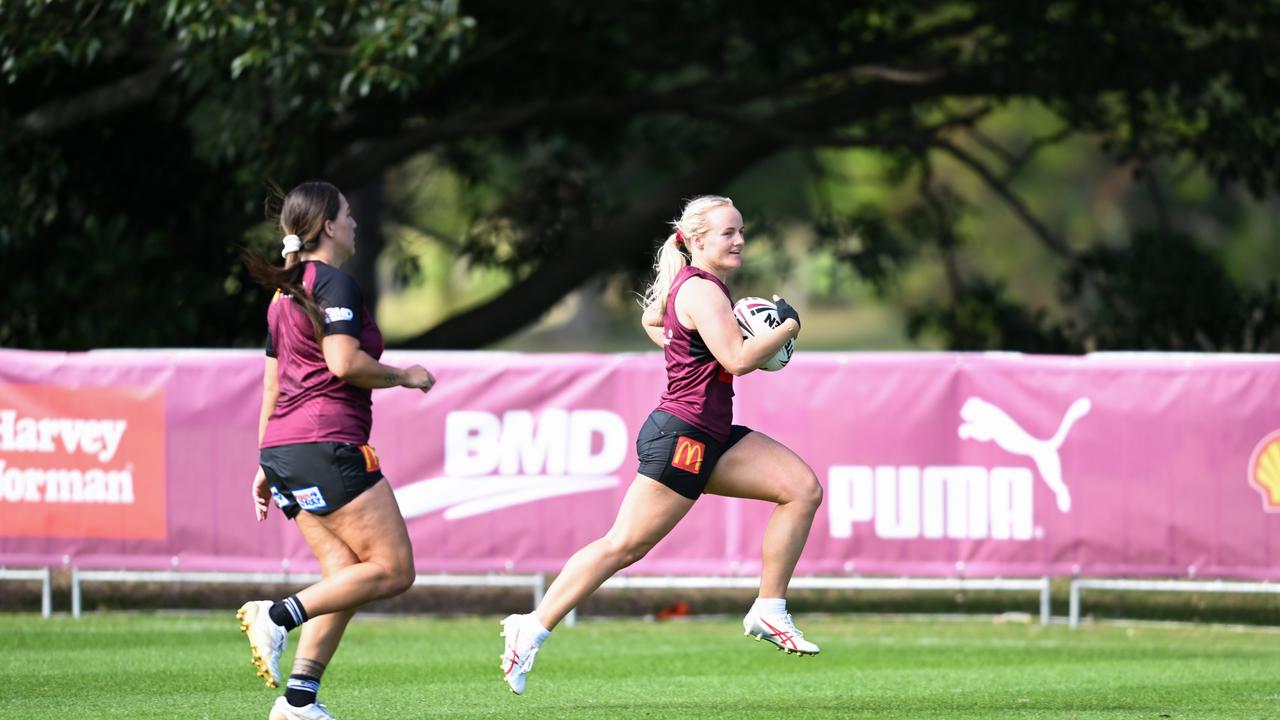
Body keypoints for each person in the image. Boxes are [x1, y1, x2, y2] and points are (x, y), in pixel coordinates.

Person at [499, 195, 823, 695]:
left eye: (741, 231)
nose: (738, 240)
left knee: (801, 489)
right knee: (624, 545)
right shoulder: (700, 289)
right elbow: (737, 360)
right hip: (684, 436)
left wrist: (700, 341)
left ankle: (769, 608)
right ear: (695, 240)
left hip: (711, 432)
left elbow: (658, 323)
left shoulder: (696, 288)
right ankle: (532, 626)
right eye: (727, 233)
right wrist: (786, 328)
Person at [239, 181, 436, 720]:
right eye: (347, 214)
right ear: (328, 225)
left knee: (344, 571)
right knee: (394, 570)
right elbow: (344, 364)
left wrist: (264, 461)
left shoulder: (283, 294)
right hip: (328, 445)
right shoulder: (334, 284)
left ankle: (299, 701)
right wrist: (406, 375)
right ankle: (276, 615)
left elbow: (273, 388)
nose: (354, 222)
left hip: (285, 449)